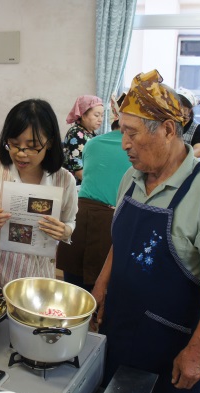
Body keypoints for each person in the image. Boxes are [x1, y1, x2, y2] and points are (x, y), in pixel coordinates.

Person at [91, 70, 200, 393]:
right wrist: (101, 287)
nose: (124, 144)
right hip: (119, 327)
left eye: (131, 133)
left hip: (171, 343)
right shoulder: (131, 178)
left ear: (168, 130)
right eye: (121, 132)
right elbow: (121, 241)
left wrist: (197, 350)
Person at [0, 99, 78, 287]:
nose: (21, 154)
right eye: (14, 144)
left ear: (49, 143)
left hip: (38, 275)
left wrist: (64, 231)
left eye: (32, 146)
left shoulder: (64, 180)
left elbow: (70, 221)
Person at [56, 94, 131, 292]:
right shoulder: (136, 148)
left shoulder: (94, 143)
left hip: (80, 219)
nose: (99, 119)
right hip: (110, 221)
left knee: (74, 290)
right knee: (104, 292)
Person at [62, 95, 104, 185]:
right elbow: (78, 170)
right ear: (83, 115)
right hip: (76, 186)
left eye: (102, 115)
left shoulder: (92, 133)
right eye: (96, 115)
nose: (100, 119)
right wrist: (97, 185)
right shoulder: (76, 134)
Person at [176, 87, 200, 157]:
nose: (180, 112)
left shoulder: (196, 127)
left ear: (190, 110)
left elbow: (199, 150)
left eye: (184, 109)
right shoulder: (168, 122)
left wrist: (182, 158)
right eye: (177, 108)